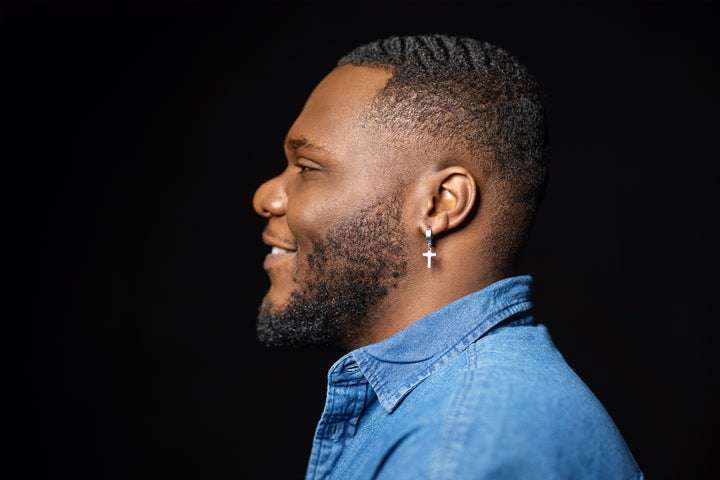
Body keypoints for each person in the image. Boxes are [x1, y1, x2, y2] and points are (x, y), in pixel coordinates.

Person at [252, 34, 643, 480]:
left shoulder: (460, 448)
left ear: (440, 204)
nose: (266, 196)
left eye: (307, 168)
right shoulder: (457, 410)